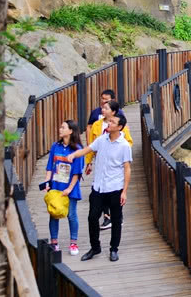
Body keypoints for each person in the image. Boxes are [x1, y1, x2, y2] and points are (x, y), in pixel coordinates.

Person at [57, 112, 132, 262]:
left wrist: (124, 191)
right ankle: (95, 247)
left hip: (115, 187)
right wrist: (74, 155)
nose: (108, 123)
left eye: (112, 122)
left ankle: (114, 249)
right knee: (92, 218)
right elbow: (87, 149)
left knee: (116, 220)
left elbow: (127, 169)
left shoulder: (124, 146)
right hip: (98, 187)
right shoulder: (102, 140)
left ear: (120, 127)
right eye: (109, 121)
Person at [86, 99, 133, 230]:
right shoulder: (97, 125)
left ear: (113, 111)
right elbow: (91, 144)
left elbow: (128, 141)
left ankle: (115, 217)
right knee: (101, 186)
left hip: (115, 163)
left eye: (106, 108)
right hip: (101, 160)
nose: (103, 110)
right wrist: (88, 162)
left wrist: (119, 152)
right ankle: (107, 217)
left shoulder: (120, 125)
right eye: (103, 107)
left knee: (113, 189)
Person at [43, 120, 84, 255]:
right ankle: (54, 242)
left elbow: (77, 172)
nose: (60, 129)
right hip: (55, 185)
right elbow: (50, 166)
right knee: (53, 213)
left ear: (70, 131)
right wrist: (47, 182)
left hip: (70, 187)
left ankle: (73, 243)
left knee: (71, 215)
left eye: (63, 127)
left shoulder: (77, 149)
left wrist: (70, 188)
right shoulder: (55, 146)